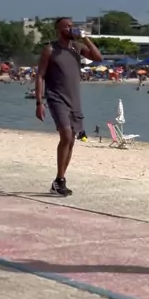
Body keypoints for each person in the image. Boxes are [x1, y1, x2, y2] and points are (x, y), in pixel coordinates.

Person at [35, 18, 103, 196]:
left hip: (74, 100)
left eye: (72, 26)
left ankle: (59, 180)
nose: (71, 28)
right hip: (56, 98)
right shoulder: (50, 49)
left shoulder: (77, 47)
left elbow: (98, 57)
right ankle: (60, 180)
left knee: (71, 140)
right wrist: (39, 102)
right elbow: (40, 75)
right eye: (67, 26)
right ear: (58, 29)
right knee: (65, 135)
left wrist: (85, 37)